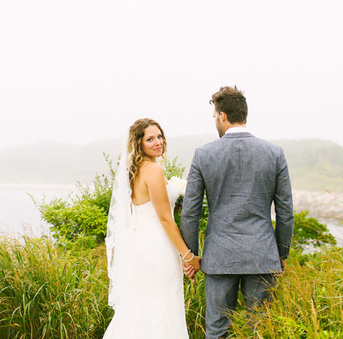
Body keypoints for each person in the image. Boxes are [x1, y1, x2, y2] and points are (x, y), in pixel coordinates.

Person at [180, 86, 294, 338]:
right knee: (260, 330)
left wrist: (191, 256)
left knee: (218, 331)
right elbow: (285, 212)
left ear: (222, 116)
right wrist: (281, 253)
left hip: (219, 258)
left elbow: (190, 213)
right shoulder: (274, 153)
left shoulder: (203, 154)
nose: (215, 122)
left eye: (214, 117)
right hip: (262, 256)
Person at [104, 118, 201, 339]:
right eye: (150, 139)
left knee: (143, 308)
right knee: (163, 307)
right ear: (139, 143)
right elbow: (166, 219)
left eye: (159, 136)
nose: (158, 142)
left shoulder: (135, 169)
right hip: (158, 248)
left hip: (140, 247)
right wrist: (187, 256)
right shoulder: (153, 170)